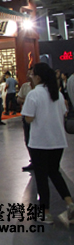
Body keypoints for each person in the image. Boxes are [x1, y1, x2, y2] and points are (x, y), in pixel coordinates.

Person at [21, 62, 74, 225]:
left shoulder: (34, 94)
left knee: (42, 177)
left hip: (40, 142)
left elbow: (28, 118)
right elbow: (63, 113)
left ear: (38, 77)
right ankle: (69, 202)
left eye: (32, 74)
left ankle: (45, 213)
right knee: (54, 172)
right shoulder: (57, 94)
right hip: (58, 141)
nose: (31, 77)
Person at [17, 67, 35, 172]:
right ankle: (33, 160)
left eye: (31, 74)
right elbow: (19, 99)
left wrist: (27, 100)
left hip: (37, 117)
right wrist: (28, 101)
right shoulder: (25, 86)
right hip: (26, 115)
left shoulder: (40, 89)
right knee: (28, 139)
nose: (28, 76)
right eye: (28, 73)